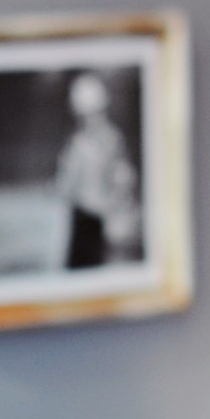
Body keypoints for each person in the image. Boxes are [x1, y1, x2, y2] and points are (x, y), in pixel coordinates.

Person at [53, 71, 142, 271]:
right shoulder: (89, 140)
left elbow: (123, 179)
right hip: (87, 219)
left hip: (95, 221)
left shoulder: (95, 141)